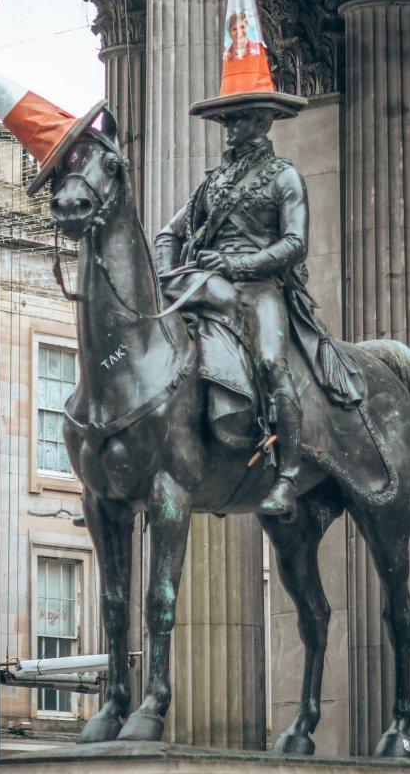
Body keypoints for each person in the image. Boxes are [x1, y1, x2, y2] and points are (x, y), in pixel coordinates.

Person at [154, 103, 308, 518]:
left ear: (262, 120)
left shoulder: (284, 176)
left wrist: (237, 265)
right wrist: (167, 277)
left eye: (237, 119)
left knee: (273, 363)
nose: (229, 128)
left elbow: (295, 244)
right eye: (225, 120)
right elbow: (168, 234)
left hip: (259, 288)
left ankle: (288, 475)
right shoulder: (212, 184)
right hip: (205, 284)